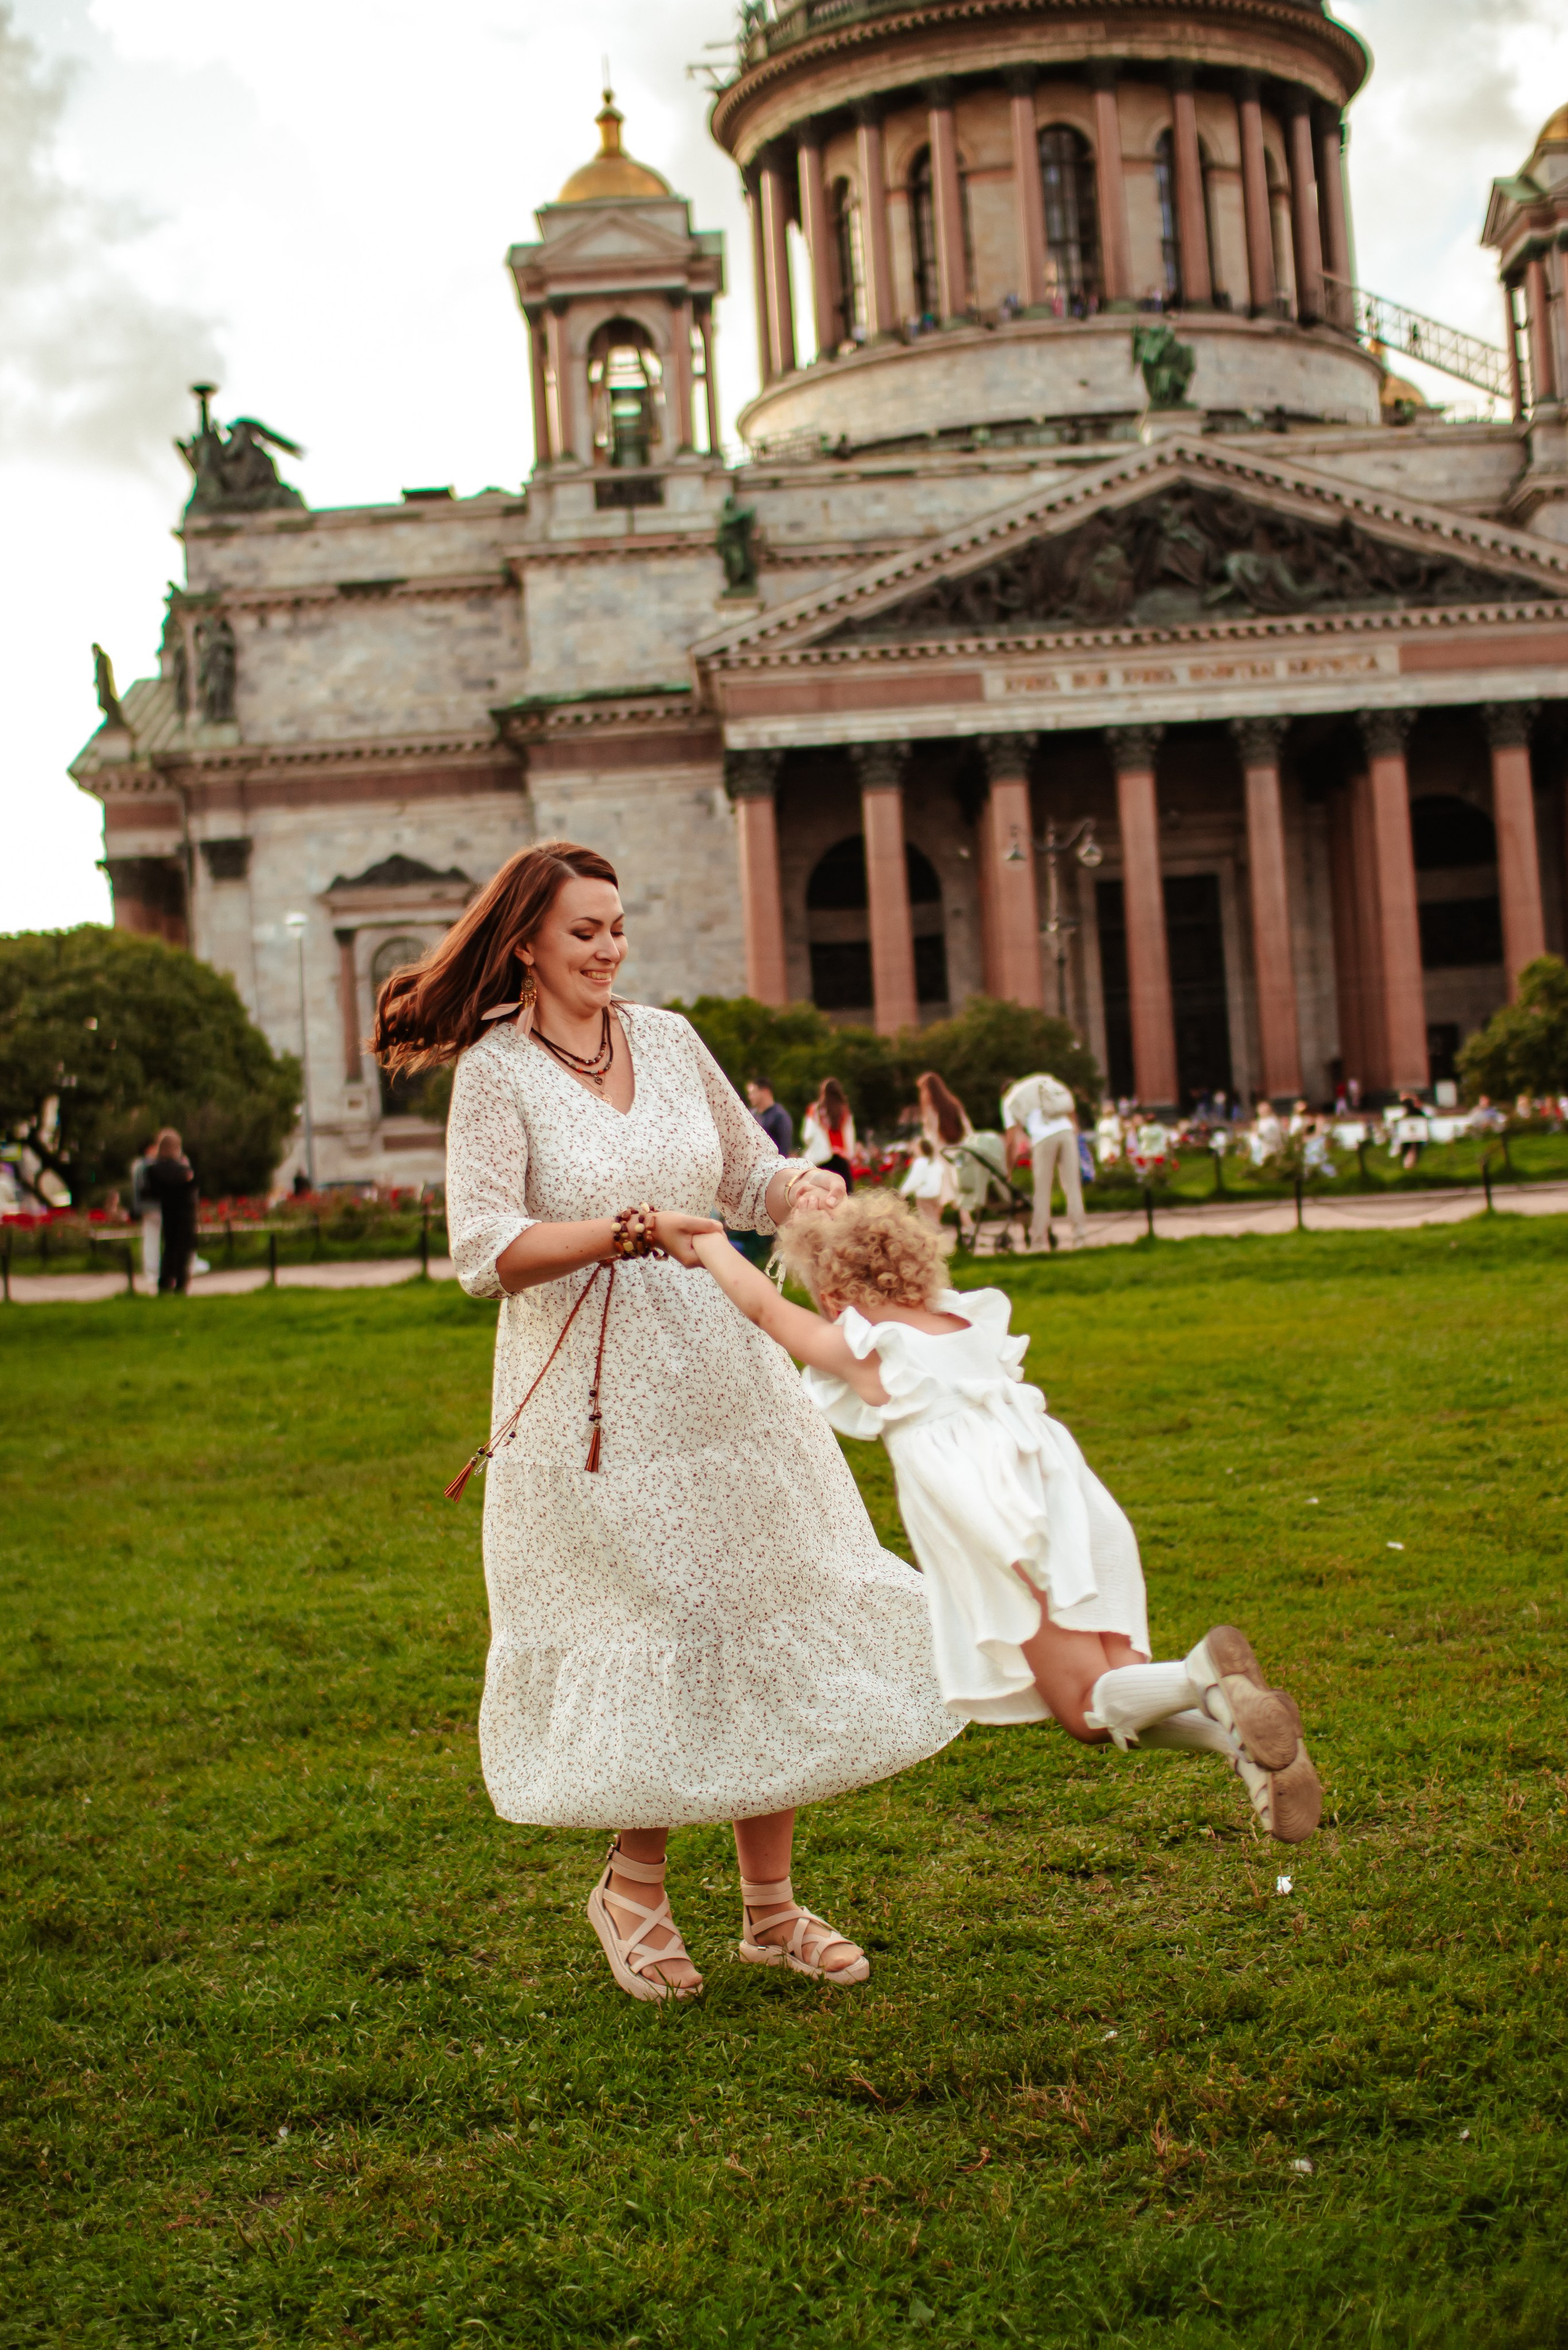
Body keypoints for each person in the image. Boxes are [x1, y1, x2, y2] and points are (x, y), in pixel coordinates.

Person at [373, 841, 957, 2004]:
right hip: (600, 1408)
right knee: (662, 1619)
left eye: (617, 927)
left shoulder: (672, 1039)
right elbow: (483, 1250)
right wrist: (626, 1231)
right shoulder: (497, 1072)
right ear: (526, 943)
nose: (609, 949)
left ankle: (770, 1911)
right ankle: (633, 1889)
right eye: (584, 931)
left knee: (763, 1601)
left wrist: (802, 1188)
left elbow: (746, 1178)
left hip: (725, 1372)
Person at [692, 1192, 1320, 1847]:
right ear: (916, 1268)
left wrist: (708, 1241)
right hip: (1080, 1517)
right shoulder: (968, 1325)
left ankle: (1202, 1676)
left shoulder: (875, 1351)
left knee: (1085, 1712)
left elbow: (764, 1308)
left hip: (1010, 1530)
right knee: (1110, 1696)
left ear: (830, 1296)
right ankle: (1243, 1744)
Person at [1001, 1070, 1086, 1252]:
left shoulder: (1009, 1101)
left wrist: (1008, 1168)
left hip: (1043, 1138)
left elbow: (1011, 1140)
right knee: (1072, 1188)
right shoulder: (1039, 1084)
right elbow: (1070, 1108)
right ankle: (1079, 1238)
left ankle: (1039, 1242)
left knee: (1042, 1193)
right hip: (1066, 1132)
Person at [916, 1069, 974, 1241]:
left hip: (942, 1156)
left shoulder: (931, 1107)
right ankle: (969, 1228)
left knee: (935, 1197)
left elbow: (932, 1135)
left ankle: (931, 1233)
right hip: (959, 1154)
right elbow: (968, 1130)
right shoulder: (953, 1104)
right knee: (959, 1198)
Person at [140, 1129, 197, 1294]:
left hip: (167, 1211)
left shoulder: (153, 1169)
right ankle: (181, 1282)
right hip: (184, 1212)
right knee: (183, 1248)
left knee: (169, 1247)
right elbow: (192, 1188)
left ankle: (165, 1281)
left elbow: (149, 1192)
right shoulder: (182, 1169)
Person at [802, 1078, 856, 1190]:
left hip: (822, 1160)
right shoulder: (844, 1111)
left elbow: (808, 1136)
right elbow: (850, 1137)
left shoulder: (815, 1110)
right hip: (842, 1160)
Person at [131, 1144, 162, 1292]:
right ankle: (153, 1271)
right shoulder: (149, 1166)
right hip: (156, 1207)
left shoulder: (139, 1166)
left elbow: (136, 1190)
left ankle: (152, 1271)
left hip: (148, 1207)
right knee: (152, 1239)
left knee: (150, 1239)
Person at [745, 1076, 792, 1158]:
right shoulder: (751, 1116)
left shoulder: (779, 1116)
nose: (750, 1097)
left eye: (753, 1092)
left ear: (765, 1091)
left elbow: (784, 1148)